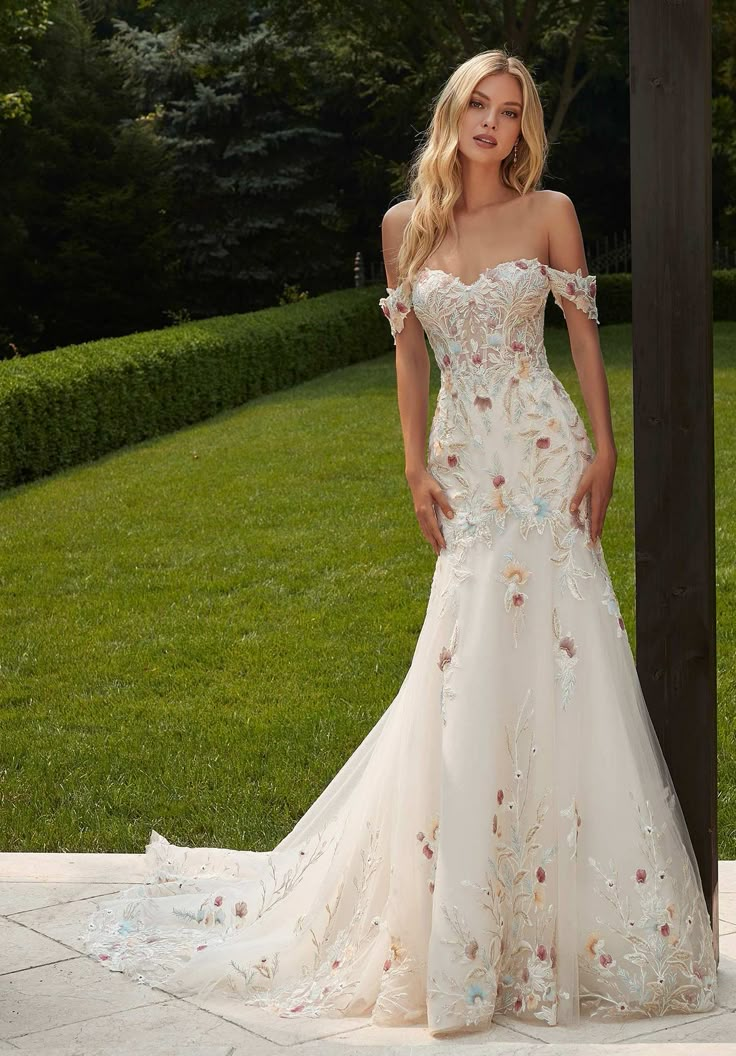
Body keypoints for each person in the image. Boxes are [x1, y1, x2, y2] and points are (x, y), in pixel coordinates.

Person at [80, 50, 718, 1039]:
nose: (492, 124)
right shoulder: (402, 228)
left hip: (545, 464)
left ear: (523, 128)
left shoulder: (547, 209)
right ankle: (460, 949)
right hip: (466, 471)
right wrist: (413, 466)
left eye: (510, 112)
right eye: (479, 105)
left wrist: (603, 450)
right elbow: (409, 356)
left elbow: (583, 335)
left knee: (566, 668)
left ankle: (570, 937)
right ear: (453, 111)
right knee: (461, 682)